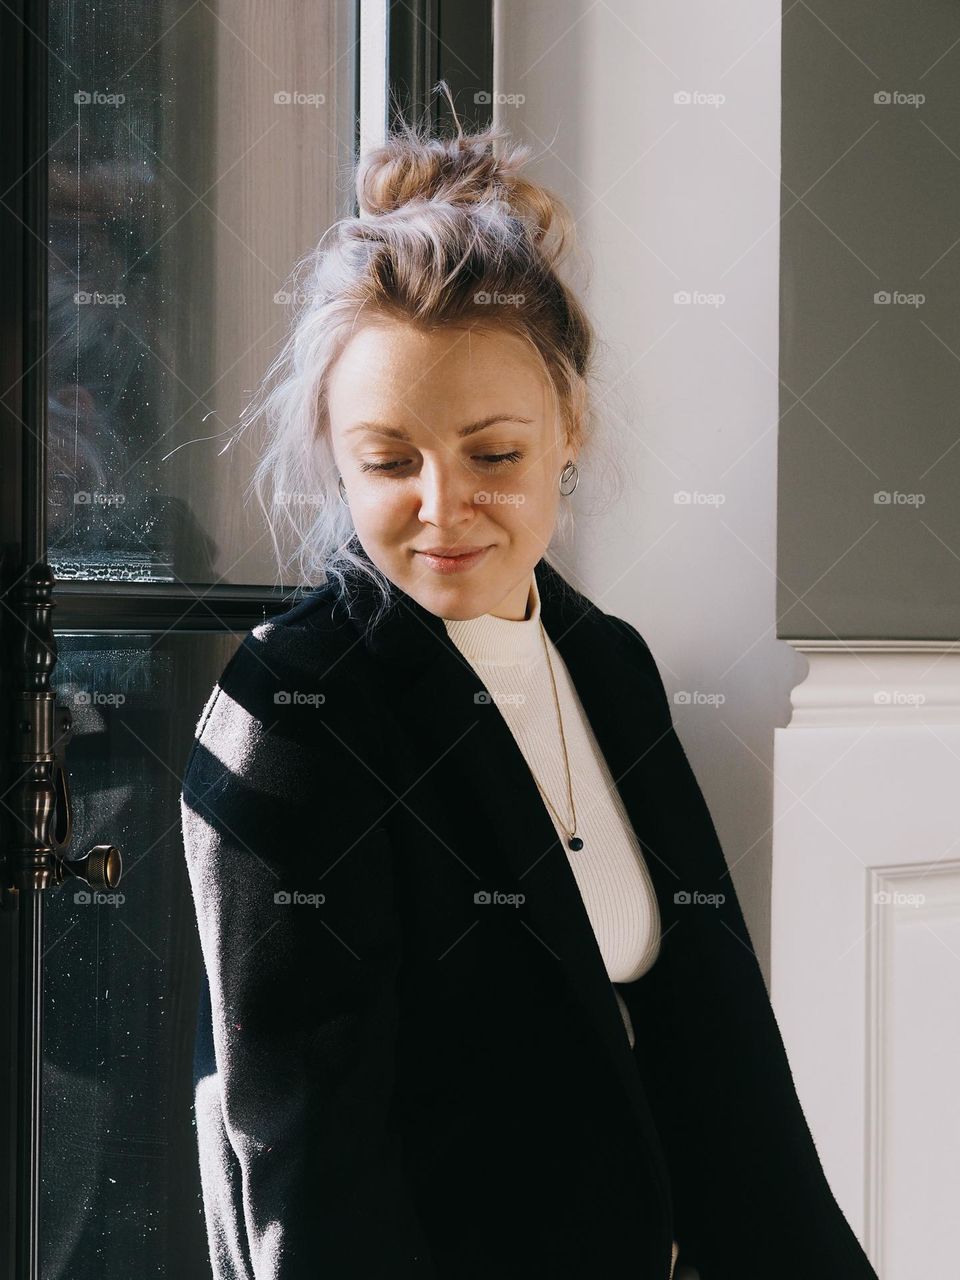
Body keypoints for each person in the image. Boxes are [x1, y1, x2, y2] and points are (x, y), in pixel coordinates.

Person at [180, 90, 880, 1280]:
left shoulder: (608, 662)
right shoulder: (296, 713)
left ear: (570, 428)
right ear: (335, 462)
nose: (442, 506)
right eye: (388, 461)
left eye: (492, 454)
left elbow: (724, 1060)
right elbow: (310, 1168)